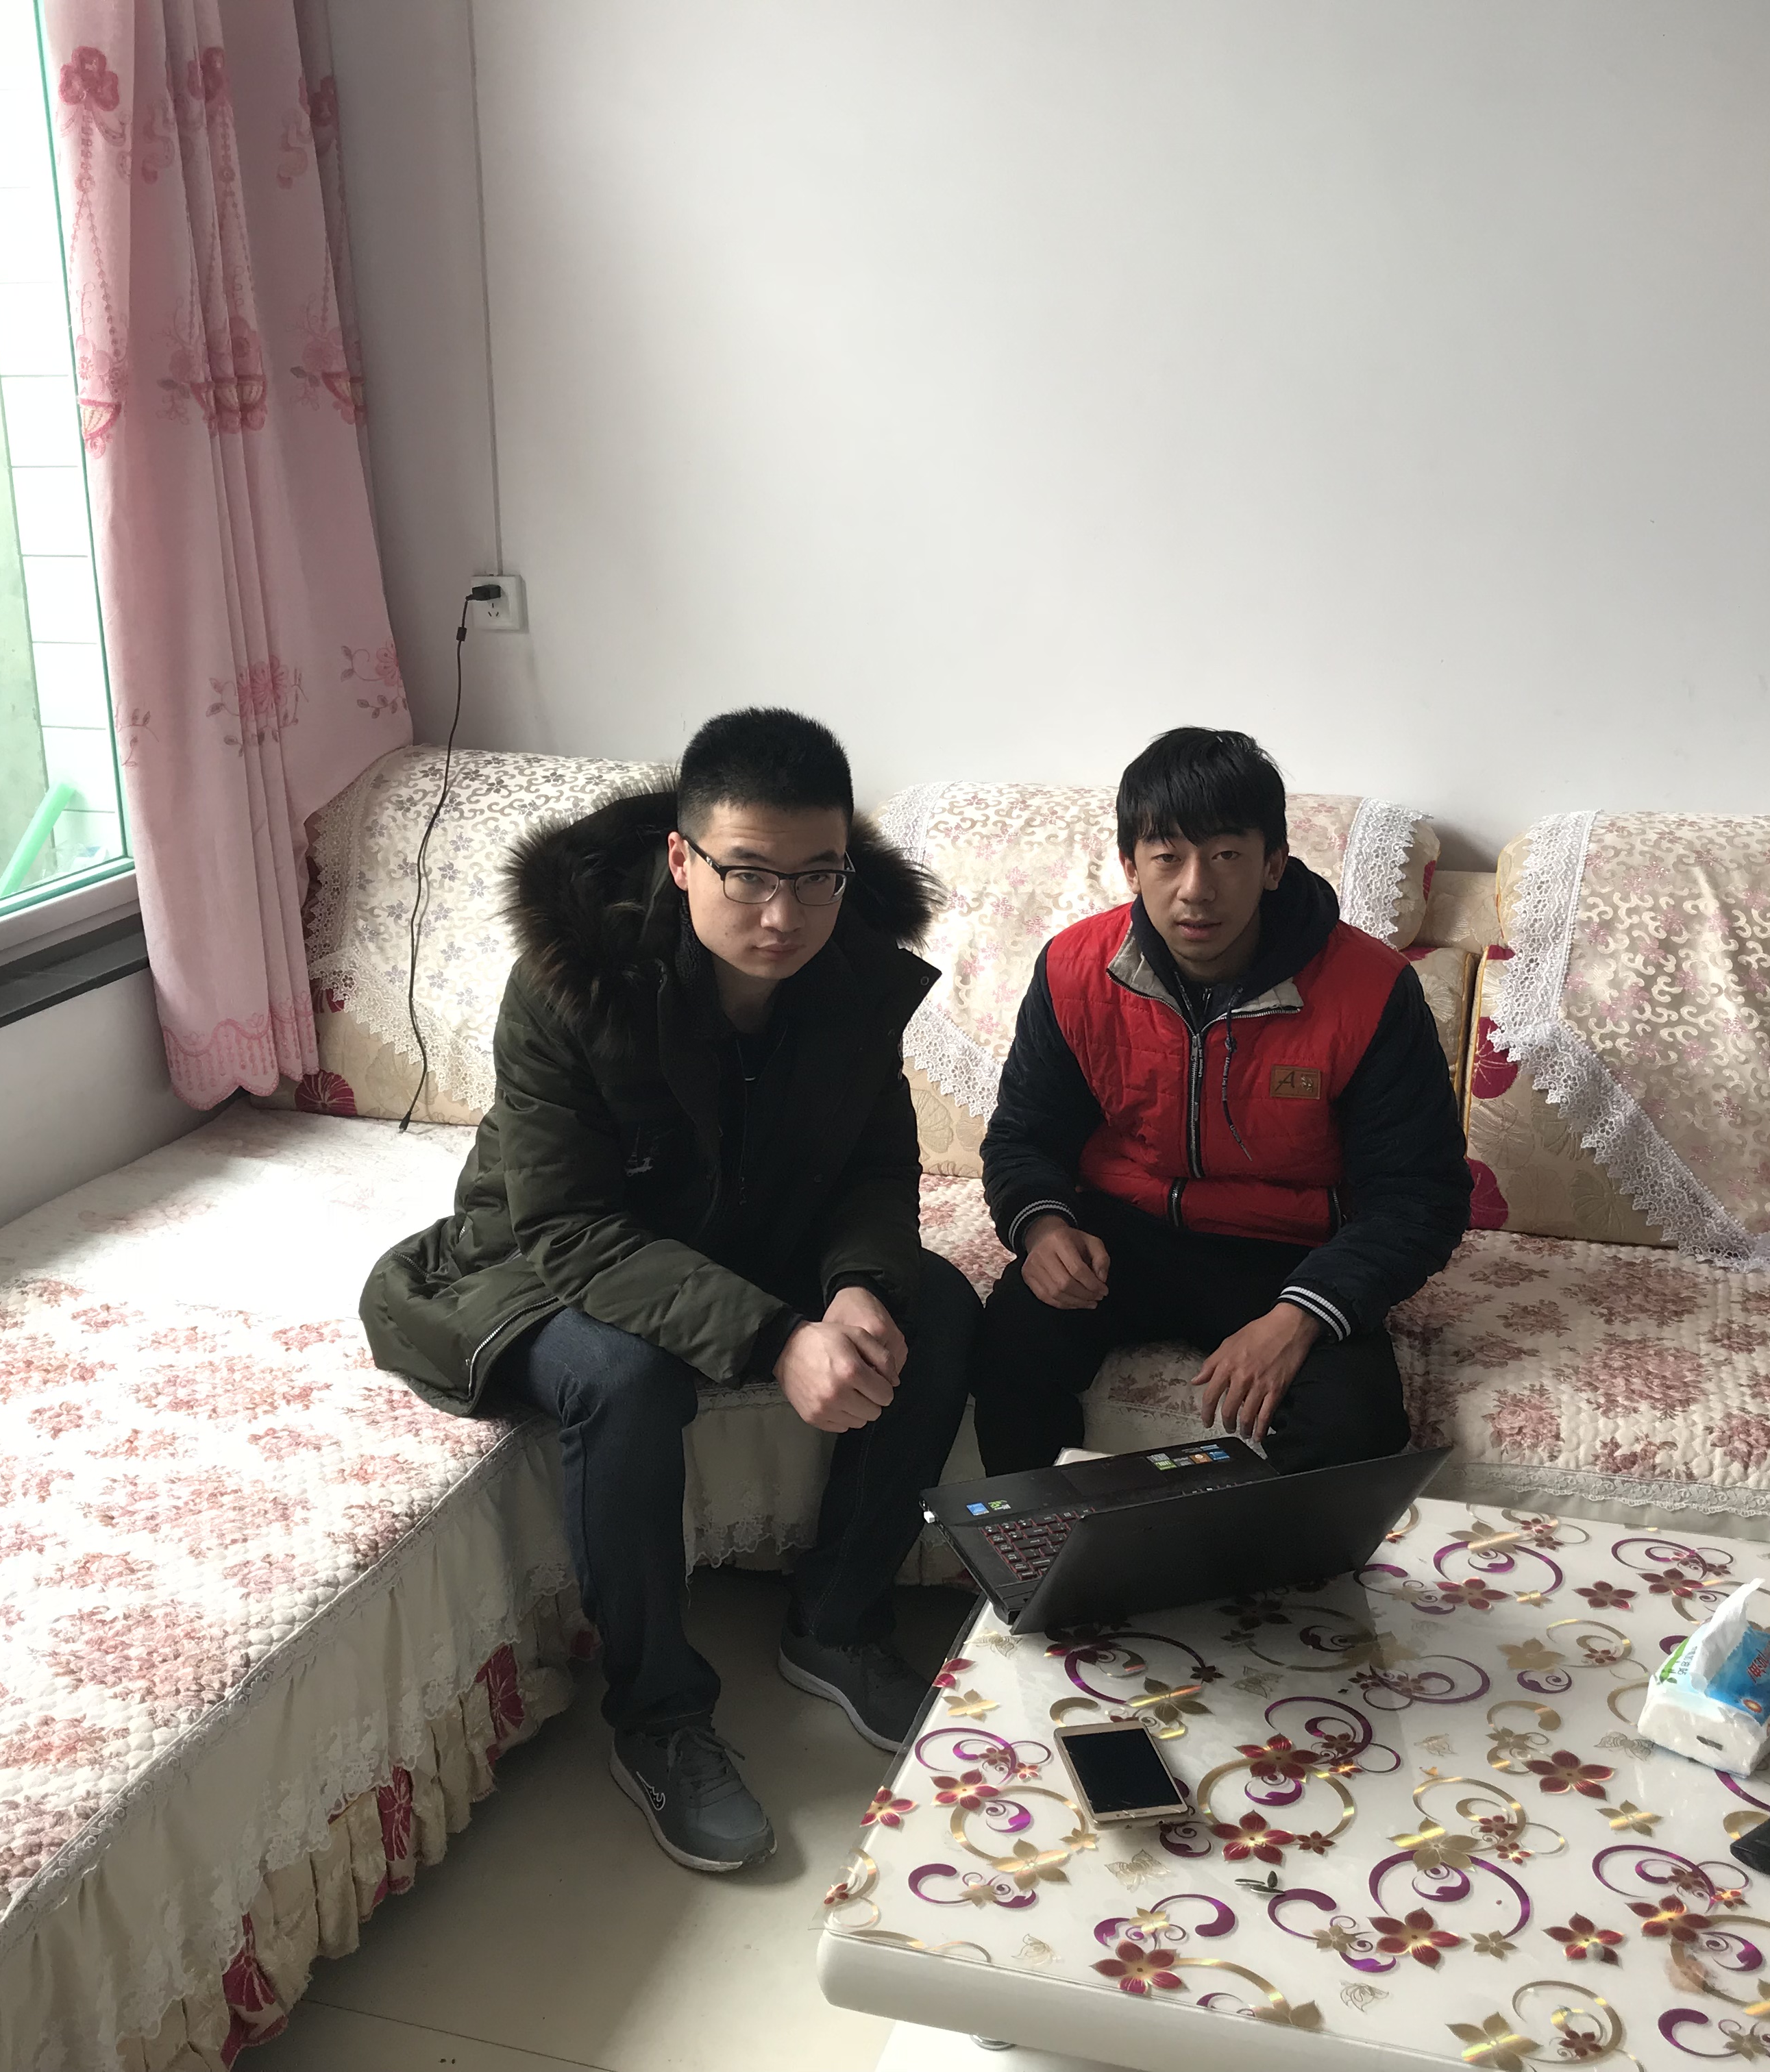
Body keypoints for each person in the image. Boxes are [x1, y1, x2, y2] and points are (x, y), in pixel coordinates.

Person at [362, 708, 974, 1874]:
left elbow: (873, 1166)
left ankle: (839, 1623)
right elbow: (567, 1227)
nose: (784, 914)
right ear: (684, 858)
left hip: (745, 1224)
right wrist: (777, 1334)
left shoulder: (851, 971)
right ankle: (659, 1719)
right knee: (625, 1376)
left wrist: (855, 1284)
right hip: (543, 1253)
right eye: (748, 874)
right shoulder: (571, 980)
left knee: (932, 1306)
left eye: (817, 876)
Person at [970, 727, 1470, 1476]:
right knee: (1011, 1343)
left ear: (1273, 864)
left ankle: (1250, 1555)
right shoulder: (1075, 968)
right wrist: (1043, 1228)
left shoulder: (1370, 988)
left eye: (1227, 855)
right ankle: (1047, 1550)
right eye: (1167, 856)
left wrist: (1301, 1315)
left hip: (1291, 1253)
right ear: (1130, 866)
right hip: (1124, 1233)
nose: (1196, 888)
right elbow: (1023, 1135)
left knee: (1354, 1424)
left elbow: (1420, 1194)